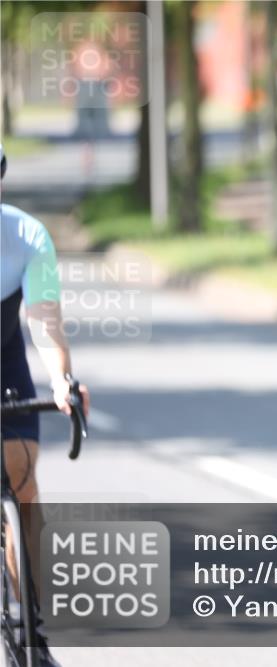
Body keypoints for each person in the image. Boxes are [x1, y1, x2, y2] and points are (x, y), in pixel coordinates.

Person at [1, 144, 91, 667]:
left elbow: (43, 320)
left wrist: (61, 380)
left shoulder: (26, 235)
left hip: (5, 363)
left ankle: (31, 628)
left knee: (23, 481)